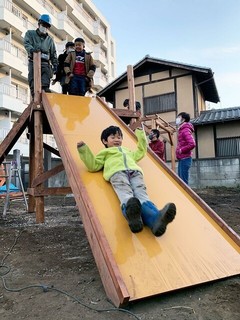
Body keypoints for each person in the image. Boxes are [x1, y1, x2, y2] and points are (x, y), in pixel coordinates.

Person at [77, 125, 176, 236]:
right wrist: (83, 150)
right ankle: (132, 215)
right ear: (104, 141)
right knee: (126, 194)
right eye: (113, 137)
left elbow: (141, 152)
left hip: (135, 173)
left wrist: (140, 135)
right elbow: (93, 165)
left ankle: (156, 219)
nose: (117, 140)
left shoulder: (127, 151)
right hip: (117, 174)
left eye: (119, 137)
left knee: (142, 194)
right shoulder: (104, 153)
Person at [24, 14, 58, 98]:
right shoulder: (30, 34)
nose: (45, 27)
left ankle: (45, 101)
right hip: (33, 61)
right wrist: (32, 50)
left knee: (45, 85)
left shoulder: (50, 40)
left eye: (47, 26)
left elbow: (53, 54)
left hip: (45, 64)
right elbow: (27, 43)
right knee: (33, 83)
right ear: (39, 24)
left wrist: (55, 65)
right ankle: (35, 101)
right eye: (43, 25)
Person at [176, 112, 196, 185]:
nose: (177, 119)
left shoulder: (185, 130)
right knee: (181, 182)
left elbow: (192, 143)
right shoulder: (182, 130)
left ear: (183, 119)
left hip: (185, 159)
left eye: (179, 117)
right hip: (182, 159)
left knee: (183, 183)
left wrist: (181, 150)